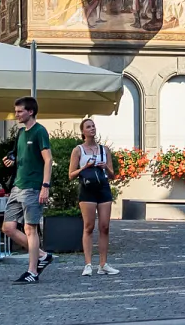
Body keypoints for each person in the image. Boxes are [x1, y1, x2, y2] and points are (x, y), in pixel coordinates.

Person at [1, 96, 53, 284]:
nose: (16, 115)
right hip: (18, 186)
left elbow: (48, 159)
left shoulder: (40, 132)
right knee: (8, 227)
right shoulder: (21, 133)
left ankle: (32, 272)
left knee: (30, 229)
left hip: (33, 187)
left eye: (20, 111)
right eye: (16, 111)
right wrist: (11, 160)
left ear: (30, 112)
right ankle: (42, 256)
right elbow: (19, 154)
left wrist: (45, 186)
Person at [69, 118, 119, 276]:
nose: (92, 129)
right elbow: (71, 175)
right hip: (87, 189)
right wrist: (85, 167)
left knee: (105, 227)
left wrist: (106, 167)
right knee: (88, 227)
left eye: (93, 126)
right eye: (88, 127)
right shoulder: (78, 150)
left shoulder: (104, 150)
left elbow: (112, 176)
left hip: (103, 188)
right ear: (83, 131)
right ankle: (88, 264)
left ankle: (103, 264)